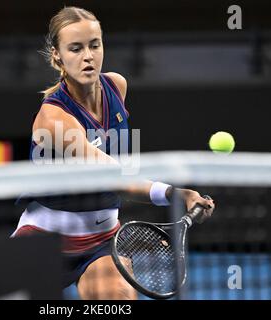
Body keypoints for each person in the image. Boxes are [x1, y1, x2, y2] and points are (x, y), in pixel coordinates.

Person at [12, 6, 215, 300]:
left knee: (116, 303)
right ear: (57, 55)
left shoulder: (116, 86)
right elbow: (115, 177)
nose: (88, 56)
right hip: (44, 244)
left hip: (102, 244)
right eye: (75, 48)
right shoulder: (53, 119)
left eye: (95, 45)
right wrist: (173, 193)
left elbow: (120, 168)